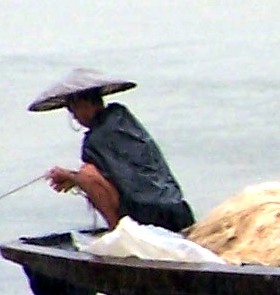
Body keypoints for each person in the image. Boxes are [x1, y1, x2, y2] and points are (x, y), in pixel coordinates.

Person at [31, 68, 196, 232]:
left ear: (84, 104)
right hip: (178, 210)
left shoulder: (96, 139)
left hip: (150, 215)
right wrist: (72, 178)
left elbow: (99, 178)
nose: (74, 115)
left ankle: (118, 232)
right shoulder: (122, 118)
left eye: (73, 109)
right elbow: (127, 175)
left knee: (87, 174)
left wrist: (73, 177)